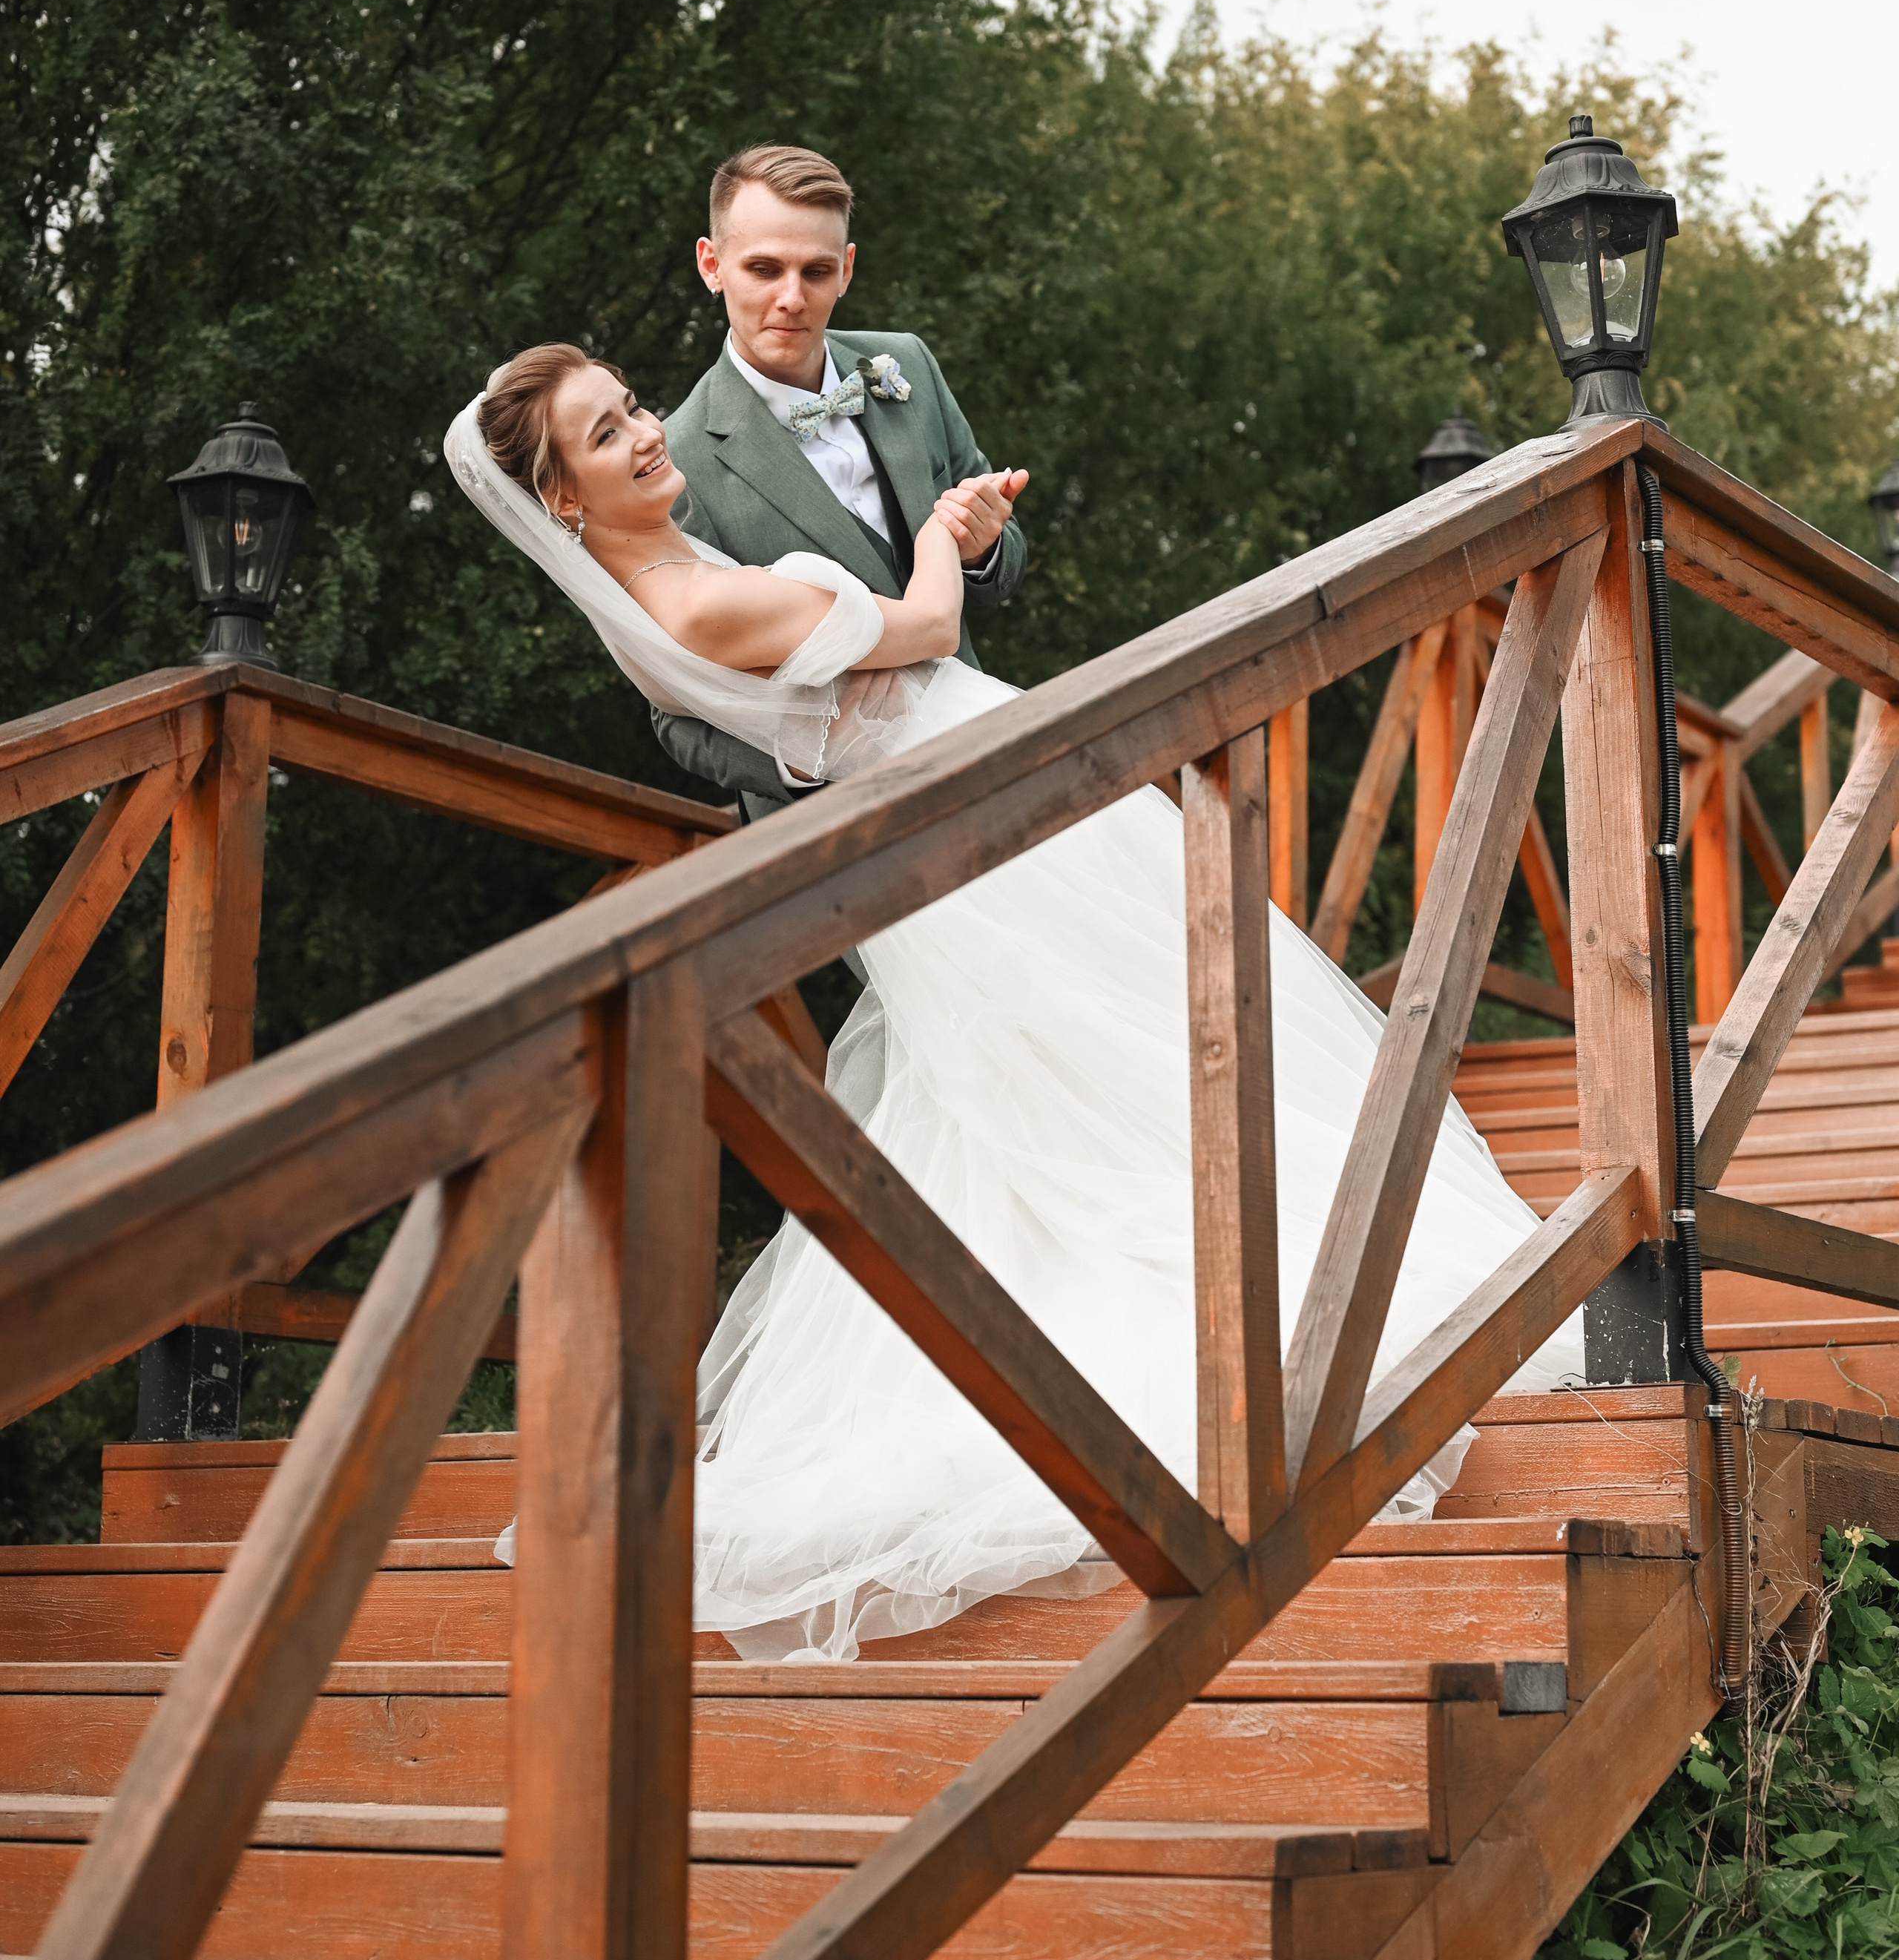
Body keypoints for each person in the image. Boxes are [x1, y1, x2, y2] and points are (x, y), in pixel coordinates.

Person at [445, 349, 1581, 1664]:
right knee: (1133, 1069)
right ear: (565, 500)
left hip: (977, 803)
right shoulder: (685, 609)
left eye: (632, 404)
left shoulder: (676, 582)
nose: (644, 431)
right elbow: (922, 635)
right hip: (978, 826)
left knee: (1100, 1087)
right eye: (605, 434)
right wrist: (936, 535)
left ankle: (1266, 1312)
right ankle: (1247, 1358)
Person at [648, 144, 1027, 820]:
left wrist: (984, 548)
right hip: (834, 832)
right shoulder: (675, 464)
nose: (792, 298)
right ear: (711, 265)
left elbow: (1004, 564)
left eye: (816, 271)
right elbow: (675, 716)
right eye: (764, 269)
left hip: (981, 759)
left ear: (846, 270)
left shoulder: (905, 363)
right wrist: (799, 764)